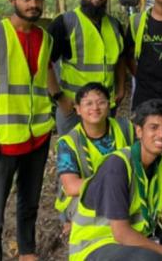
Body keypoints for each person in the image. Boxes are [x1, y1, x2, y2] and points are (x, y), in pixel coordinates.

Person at [0, 0, 59, 261]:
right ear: (13, 0)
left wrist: (60, 97)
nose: (33, 4)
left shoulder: (45, 38)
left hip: (37, 135)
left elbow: (45, 73)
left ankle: (27, 251)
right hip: (3, 138)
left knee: (30, 200)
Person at [68, 99, 162, 261]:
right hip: (98, 243)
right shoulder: (117, 166)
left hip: (141, 230)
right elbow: (121, 233)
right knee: (155, 258)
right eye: (154, 127)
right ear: (139, 131)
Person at [48, 0, 126, 135]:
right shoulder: (64, 23)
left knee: (103, 149)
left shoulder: (115, 25)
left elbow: (120, 58)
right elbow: (45, 64)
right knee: (71, 149)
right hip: (73, 108)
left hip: (105, 107)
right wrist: (59, 97)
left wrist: (121, 88)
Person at [55, 83, 134, 223]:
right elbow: (71, 186)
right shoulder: (67, 142)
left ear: (109, 105)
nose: (95, 108)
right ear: (78, 109)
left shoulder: (126, 128)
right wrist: (113, 184)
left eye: (101, 102)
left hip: (124, 191)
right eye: (88, 103)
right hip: (84, 199)